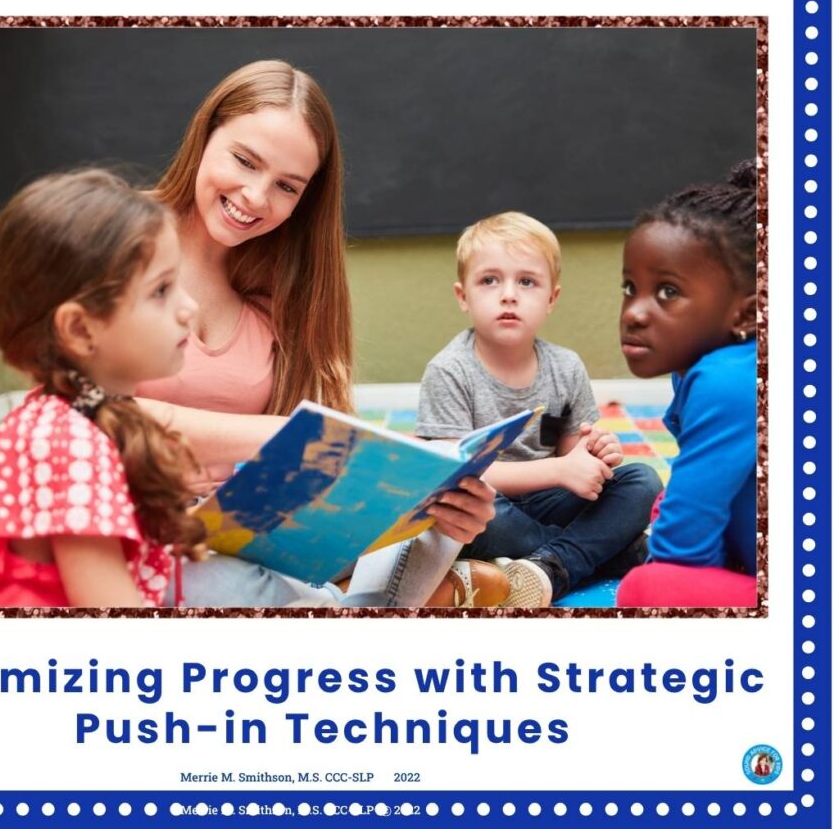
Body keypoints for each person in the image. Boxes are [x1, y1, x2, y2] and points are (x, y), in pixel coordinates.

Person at [136, 60, 507, 607]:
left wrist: (435, 507)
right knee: (230, 584)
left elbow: (315, 500)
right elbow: (92, 413)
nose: (257, 198)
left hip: (246, 544)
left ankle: (363, 600)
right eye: (244, 160)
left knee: (445, 521)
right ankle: (388, 605)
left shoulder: (279, 285)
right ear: (206, 131)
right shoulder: (119, 240)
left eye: (286, 186)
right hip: (141, 538)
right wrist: (281, 436)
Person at [0, 170, 204, 607]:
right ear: (80, 329)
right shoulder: (66, 441)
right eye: (161, 290)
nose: (189, 306)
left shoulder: (81, 417)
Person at [416, 211, 661, 606]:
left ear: (551, 298)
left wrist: (594, 456)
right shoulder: (450, 370)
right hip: (489, 507)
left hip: (551, 497)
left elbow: (569, 454)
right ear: (464, 296)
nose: (508, 294)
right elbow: (454, 471)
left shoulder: (565, 368)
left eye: (527, 282)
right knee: (457, 510)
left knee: (642, 481)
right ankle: (596, 554)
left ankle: (548, 566)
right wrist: (561, 470)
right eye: (489, 280)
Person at [616, 163, 758, 608]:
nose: (634, 312)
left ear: (745, 315)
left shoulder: (729, 379)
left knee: (645, 589)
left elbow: (683, 551)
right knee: (661, 505)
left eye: (668, 292)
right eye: (630, 287)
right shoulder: (705, 365)